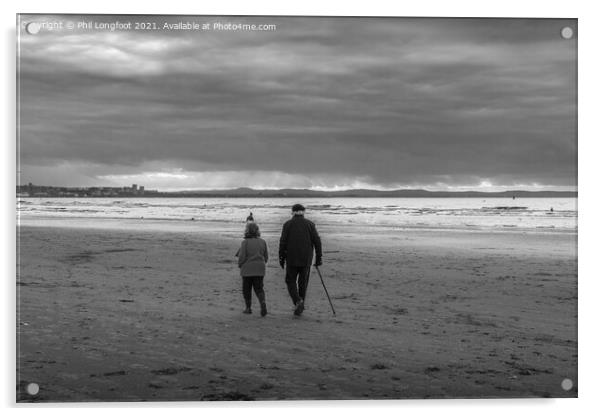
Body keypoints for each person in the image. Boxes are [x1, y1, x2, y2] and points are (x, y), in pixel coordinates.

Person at [279, 203, 322, 316]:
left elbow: (282, 242)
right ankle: (300, 302)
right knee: (303, 282)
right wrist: (319, 258)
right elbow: (317, 242)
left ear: (292, 212)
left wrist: (281, 257)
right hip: (306, 258)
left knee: (290, 281)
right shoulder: (310, 224)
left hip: (291, 258)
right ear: (303, 212)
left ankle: (298, 302)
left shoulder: (287, 224)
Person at [236, 222, 268, 316]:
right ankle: (262, 302)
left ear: (247, 231)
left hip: (247, 269)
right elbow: (266, 256)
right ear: (257, 231)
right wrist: (262, 263)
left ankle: (248, 308)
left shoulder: (245, 242)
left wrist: (240, 264)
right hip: (260, 268)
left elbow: (242, 256)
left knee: (247, 288)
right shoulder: (262, 241)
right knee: (259, 288)